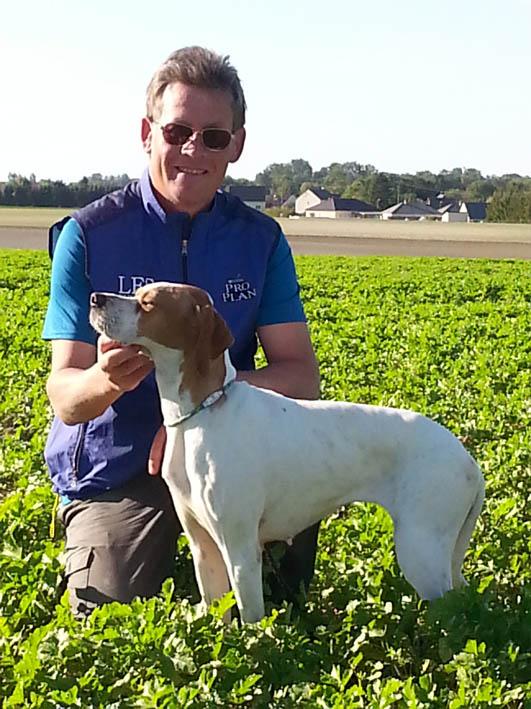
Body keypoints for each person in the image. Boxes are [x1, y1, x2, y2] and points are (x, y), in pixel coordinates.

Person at [43, 46, 321, 618]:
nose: (194, 149)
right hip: (120, 468)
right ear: (148, 133)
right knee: (112, 615)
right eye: (177, 131)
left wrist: (200, 415)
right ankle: (97, 534)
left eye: (214, 137)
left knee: (283, 604)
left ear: (237, 145)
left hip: (231, 456)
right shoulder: (90, 234)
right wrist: (105, 380)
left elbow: (301, 375)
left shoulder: (259, 240)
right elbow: (66, 398)